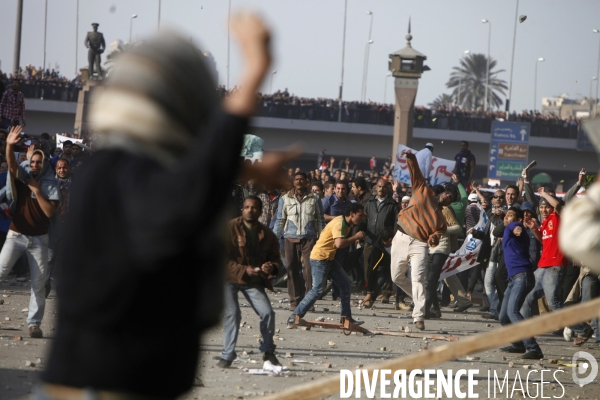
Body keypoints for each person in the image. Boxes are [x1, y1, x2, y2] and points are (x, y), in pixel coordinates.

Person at [40, 14, 291, 399]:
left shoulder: (109, 170)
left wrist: (238, 166)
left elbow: (179, 177)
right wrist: (256, 68)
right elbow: (186, 188)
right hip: (110, 386)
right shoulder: (126, 176)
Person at [0, 126, 59, 338]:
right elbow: (13, 166)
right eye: (32, 162)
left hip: (40, 240)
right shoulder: (24, 176)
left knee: (38, 285)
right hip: (16, 235)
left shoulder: (51, 182)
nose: (34, 165)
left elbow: (50, 211)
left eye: (38, 162)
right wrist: (9, 145)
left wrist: (36, 190)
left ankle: (34, 324)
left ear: (44, 164)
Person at [520, 188, 594, 344]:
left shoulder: (559, 217)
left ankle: (583, 329)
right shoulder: (545, 222)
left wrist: (544, 194)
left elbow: (560, 207)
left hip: (555, 267)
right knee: (527, 296)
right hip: (542, 267)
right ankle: (525, 334)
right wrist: (534, 228)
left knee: (554, 304)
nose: (543, 210)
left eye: (546, 206)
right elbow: (543, 241)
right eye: (541, 207)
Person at [391, 150, 453, 331]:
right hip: (401, 237)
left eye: (451, 199)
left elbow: (434, 239)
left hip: (419, 244)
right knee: (396, 277)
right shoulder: (422, 189)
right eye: (447, 194)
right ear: (440, 193)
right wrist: (410, 158)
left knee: (418, 278)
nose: (447, 198)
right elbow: (415, 172)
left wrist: (433, 238)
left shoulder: (440, 221)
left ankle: (419, 315)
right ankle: (421, 299)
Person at [217, 196, 281, 368]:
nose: (249, 210)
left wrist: (271, 267)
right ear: (242, 209)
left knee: (268, 313)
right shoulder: (230, 228)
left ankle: (268, 352)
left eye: (253, 208)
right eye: (246, 207)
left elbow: (276, 261)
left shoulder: (267, 235)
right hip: (229, 278)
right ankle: (227, 354)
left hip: (252, 281)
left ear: (260, 211)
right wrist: (244, 269)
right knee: (233, 313)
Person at [287, 203, 366, 327]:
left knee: (345, 283)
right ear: (351, 214)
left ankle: (346, 318)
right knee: (318, 289)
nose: (361, 218)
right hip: (320, 258)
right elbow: (339, 243)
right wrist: (355, 237)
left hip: (329, 258)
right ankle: (294, 316)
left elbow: (337, 243)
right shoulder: (339, 223)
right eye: (359, 215)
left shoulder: (347, 223)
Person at [497, 207, 544, 359]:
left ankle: (534, 348)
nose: (507, 218)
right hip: (513, 279)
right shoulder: (507, 231)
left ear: (518, 219)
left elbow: (516, 228)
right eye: (506, 215)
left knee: (513, 312)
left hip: (521, 276)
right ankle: (518, 344)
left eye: (511, 215)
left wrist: (517, 227)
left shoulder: (514, 227)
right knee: (504, 316)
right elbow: (498, 231)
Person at [273, 171, 323, 310]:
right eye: (297, 179)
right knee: (291, 270)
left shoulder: (315, 198)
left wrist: (321, 238)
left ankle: (308, 301)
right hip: (290, 237)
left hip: (309, 238)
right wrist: (273, 238)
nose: (299, 181)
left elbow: (320, 219)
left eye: (302, 179)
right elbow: (280, 220)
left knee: (309, 270)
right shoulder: (285, 198)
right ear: (293, 182)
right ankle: (294, 301)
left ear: (307, 181)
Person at [361, 178, 399, 307]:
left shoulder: (392, 204)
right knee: (369, 268)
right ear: (375, 188)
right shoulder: (369, 202)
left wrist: (392, 238)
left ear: (388, 189)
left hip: (385, 242)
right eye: (379, 186)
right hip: (370, 240)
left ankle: (386, 293)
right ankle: (369, 292)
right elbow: (364, 221)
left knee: (386, 269)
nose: (381, 189)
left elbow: (396, 224)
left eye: (383, 187)